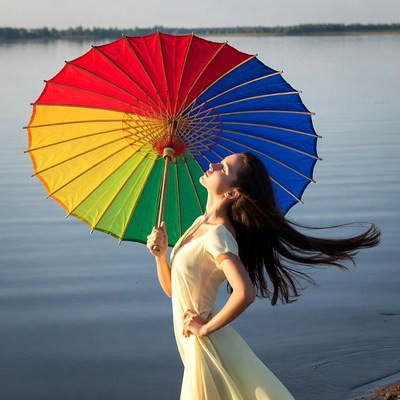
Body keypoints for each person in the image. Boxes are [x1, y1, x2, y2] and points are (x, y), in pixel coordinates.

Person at [146, 152, 380, 400]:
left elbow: (245, 293)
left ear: (232, 193)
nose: (213, 165)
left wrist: (204, 330)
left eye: (223, 168)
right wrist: (160, 257)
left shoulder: (218, 236)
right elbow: (175, 291)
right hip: (193, 340)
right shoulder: (198, 224)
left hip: (204, 343)